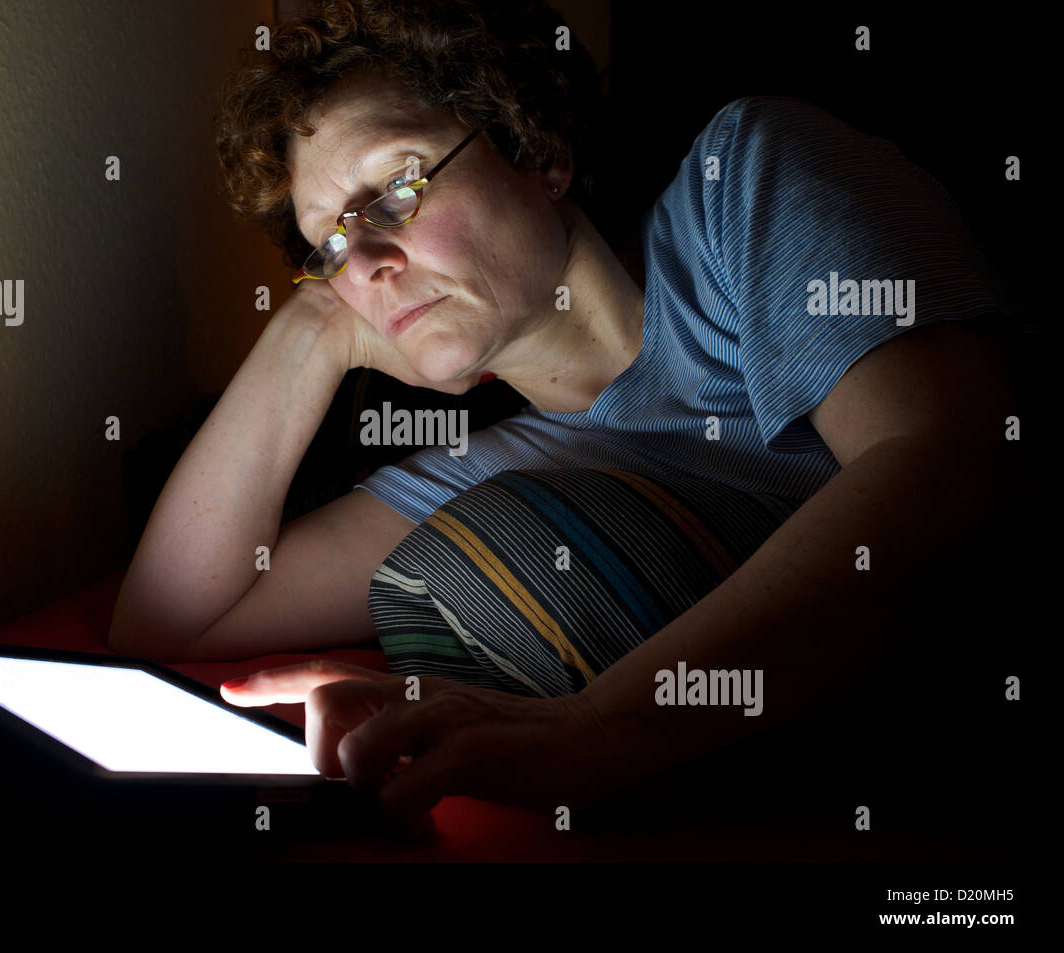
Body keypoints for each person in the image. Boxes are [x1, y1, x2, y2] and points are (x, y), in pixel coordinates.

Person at [108, 0, 1034, 832]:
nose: (364, 262)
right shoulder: (492, 469)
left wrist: (595, 727)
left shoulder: (743, 183)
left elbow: (946, 460)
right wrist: (311, 326)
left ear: (538, 151)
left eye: (394, 189)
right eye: (329, 245)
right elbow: (172, 623)